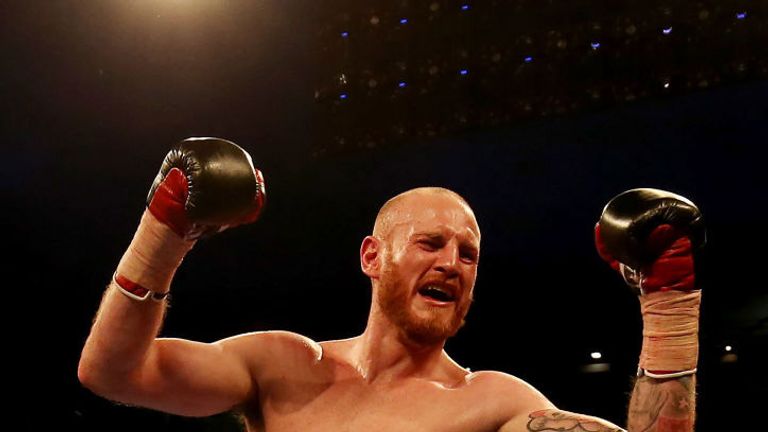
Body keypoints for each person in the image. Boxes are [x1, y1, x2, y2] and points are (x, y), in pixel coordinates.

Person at [79, 137, 702, 431]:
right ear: (372, 257)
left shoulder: (493, 404)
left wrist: (670, 305)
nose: (453, 263)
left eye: (469, 254)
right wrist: (165, 230)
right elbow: (112, 373)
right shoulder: (280, 365)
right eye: (430, 243)